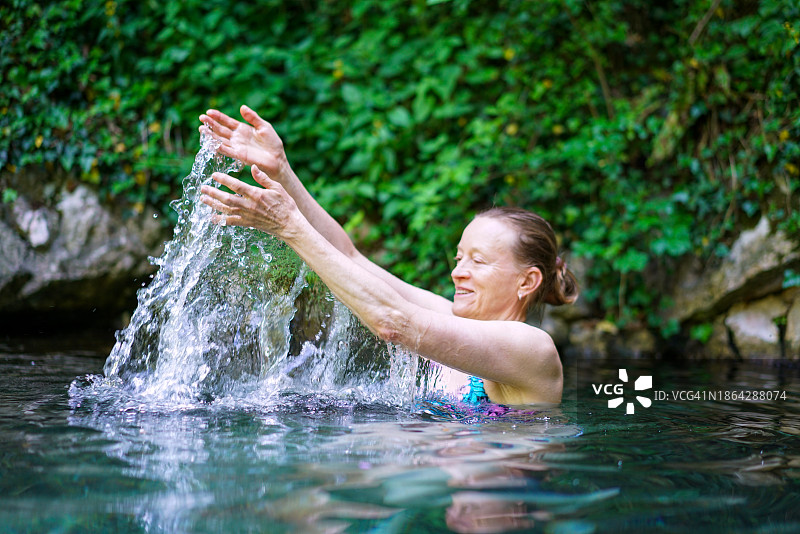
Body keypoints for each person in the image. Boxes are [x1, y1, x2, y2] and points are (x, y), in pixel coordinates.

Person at [198, 105, 578, 405]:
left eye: (478, 262)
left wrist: (289, 228)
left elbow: (394, 322)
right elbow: (350, 256)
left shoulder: (533, 349)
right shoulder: (451, 318)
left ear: (527, 281)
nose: (458, 273)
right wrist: (281, 172)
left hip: (501, 500)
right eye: (459, 259)